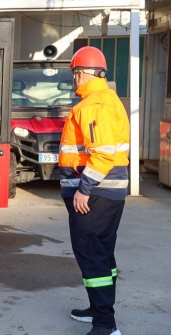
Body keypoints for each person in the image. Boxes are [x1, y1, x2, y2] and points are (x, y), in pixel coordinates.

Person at [58, 46, 130, 335]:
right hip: (108, 193)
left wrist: (84, 189)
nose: (74, 79)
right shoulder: (107, 99)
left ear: (82, 73)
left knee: (91, 254)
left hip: (95, 194)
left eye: (75, 73)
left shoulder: (93, 105)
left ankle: (105, 324)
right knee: (102, 253)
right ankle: (98, 309)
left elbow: (102, 154)